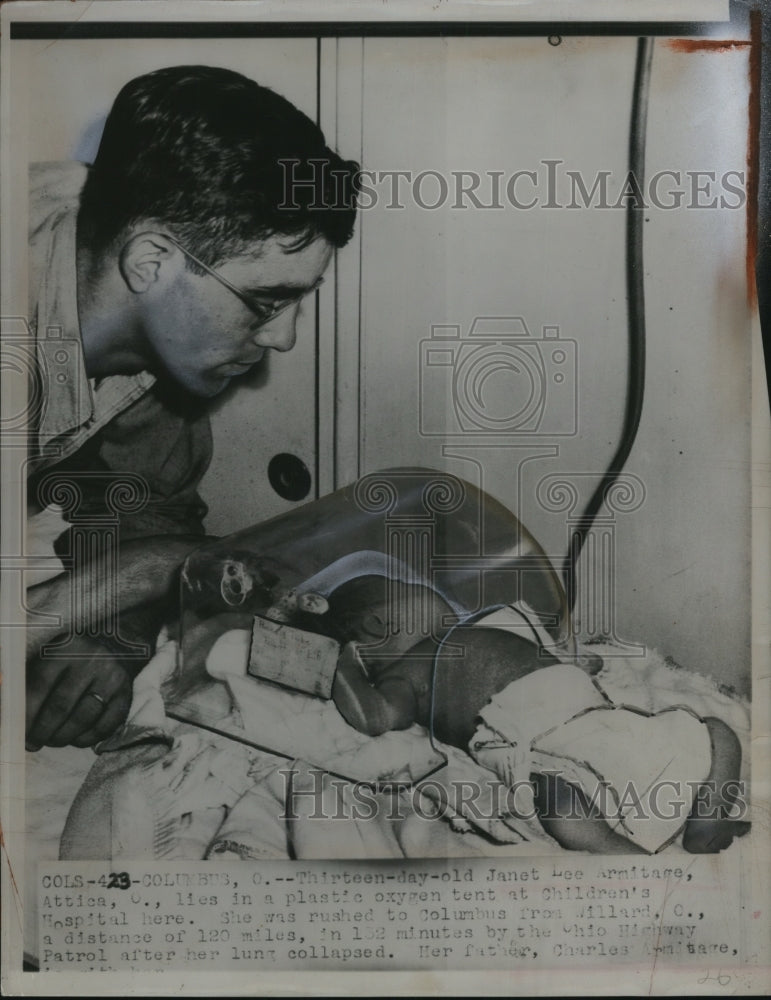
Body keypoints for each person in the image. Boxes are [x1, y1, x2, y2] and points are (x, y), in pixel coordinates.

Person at [24, 65, 358, 750]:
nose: (282, 336)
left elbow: (145, 504)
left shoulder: (145, 317)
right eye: (264, 301)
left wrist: (113, 633)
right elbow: (156, 551)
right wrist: (138, 574)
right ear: (150, 262)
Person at [324, 575, 748, 855]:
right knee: (557, 799)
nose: (428, 588)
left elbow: (549, 654)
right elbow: (377, 716)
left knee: (715, 732)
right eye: (406, 585)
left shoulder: (482, 628)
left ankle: (708, 816)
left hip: (599, 717)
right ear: (380, 622)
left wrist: (575, 664)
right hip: (536, 745)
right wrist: (343, 667)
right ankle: (614, 849)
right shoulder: (409, 669)